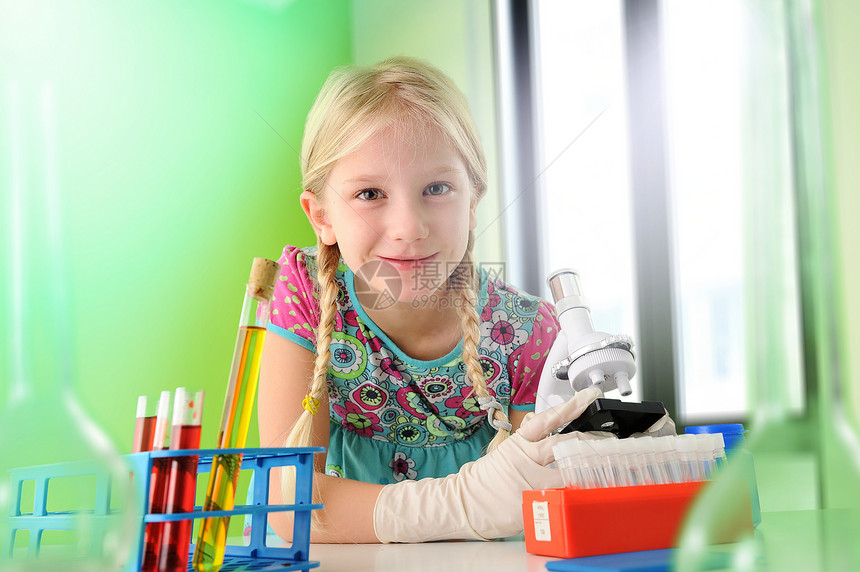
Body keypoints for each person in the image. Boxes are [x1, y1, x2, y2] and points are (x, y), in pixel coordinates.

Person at [256, 56, 653, 544]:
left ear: (473, 201)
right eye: (369, 193)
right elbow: (286, 504)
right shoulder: (308, 299)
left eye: (437, 188)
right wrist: (461, 503)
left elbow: (543, 502)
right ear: (321, 217)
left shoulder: (527, 333)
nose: (409, 228)